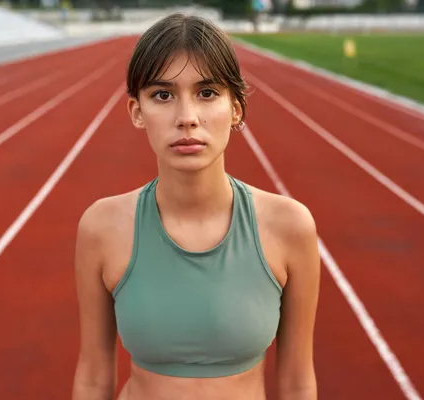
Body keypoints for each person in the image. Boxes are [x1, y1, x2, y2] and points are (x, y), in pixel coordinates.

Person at [71, 12, 321, 400]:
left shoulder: (290, 226)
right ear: (137, 112)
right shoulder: (102, 227)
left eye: (207, 93)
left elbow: (297, 381)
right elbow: (92, 377)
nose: (187, 118)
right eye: (163, 95)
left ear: (236, 109)